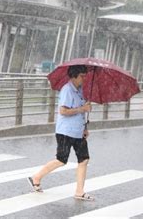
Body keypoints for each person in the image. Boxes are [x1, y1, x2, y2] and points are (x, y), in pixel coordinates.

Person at [28, 65, 94, 201]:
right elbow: (63, 111)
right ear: (74, 76)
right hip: (65, 131)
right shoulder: (67, 90)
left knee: (84, 159)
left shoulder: (81, 90)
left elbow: (82, 112)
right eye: (82, 76)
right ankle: (36, 177)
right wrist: (82, 108)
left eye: (85, 76)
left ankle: (79, 192)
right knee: (61, 160)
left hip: (79, 131)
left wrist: (85, 127)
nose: (84, 78)